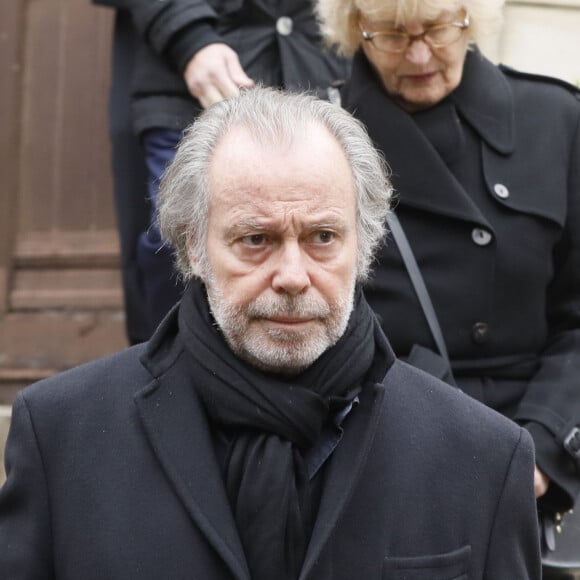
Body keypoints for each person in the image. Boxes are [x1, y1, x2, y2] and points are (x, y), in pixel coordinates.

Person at [0, 88, 540, 578]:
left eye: (323, 237)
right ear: (193, 246)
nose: (292, 276)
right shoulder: (60, 436)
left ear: (365, 244)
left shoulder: (484, 458)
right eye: (255, 239)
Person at [316, 0, 580, 517]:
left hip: (528, 461)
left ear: (472, 17)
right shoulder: (316, 135)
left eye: (437, 28)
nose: (418, 56)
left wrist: (543, 449)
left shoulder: (557, 119)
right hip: (385, 450)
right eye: (390, 34)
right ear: (355, 28)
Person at [94, 0, 351, 335]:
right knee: (178, 243)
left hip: (322, 64)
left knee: (340, 234)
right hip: (189, 75)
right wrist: (189, 38)